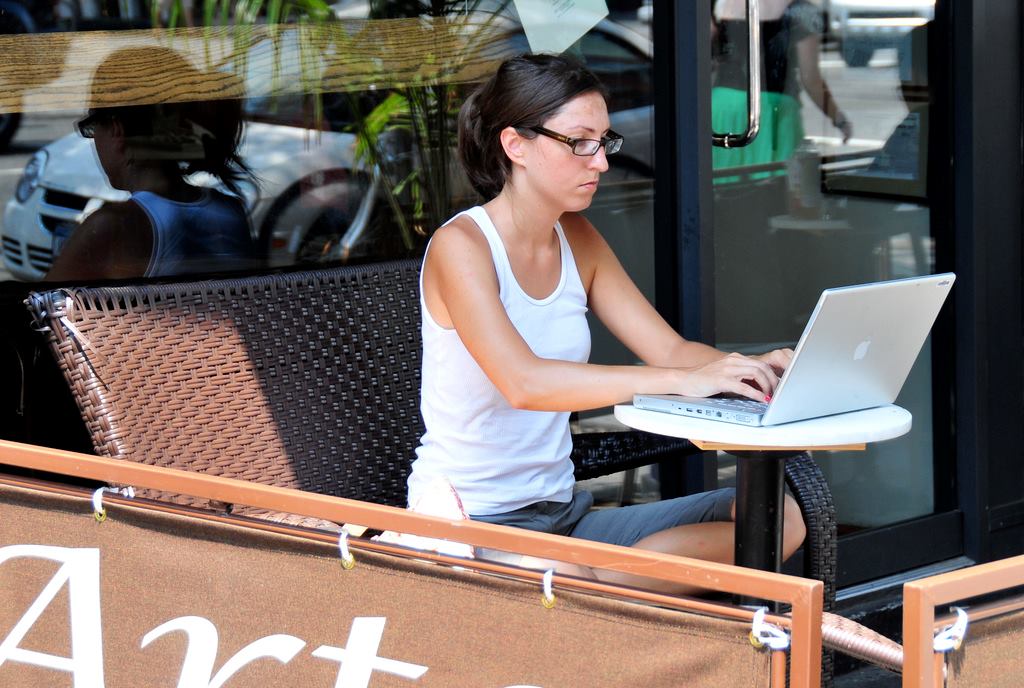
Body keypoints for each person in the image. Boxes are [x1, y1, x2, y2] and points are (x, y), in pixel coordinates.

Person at [408, 53, 806, 594]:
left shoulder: (578, 238)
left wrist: (750, 368)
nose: (600, 162)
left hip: (564, 517)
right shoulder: (462, 247)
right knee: (568, 577)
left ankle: (598, 589)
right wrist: (679, 382)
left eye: (604, 141)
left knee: (778, 518)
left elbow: (668, 349)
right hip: (473, 524)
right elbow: (524, 382)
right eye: (579, 142)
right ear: (514, 145)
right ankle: (594, 590)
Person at [47, 48, 256, 281]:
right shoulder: (231, 212)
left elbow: (41, 308)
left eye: (93, 128)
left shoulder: (112, 227)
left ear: (117, 130)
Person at [712, 0, 852, 174]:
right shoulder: (802, 11)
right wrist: (838, 118)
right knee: (776, 186)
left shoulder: (722, 4)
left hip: (721, 105)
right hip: (773, 111)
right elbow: (810, 78)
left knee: (727, 186)